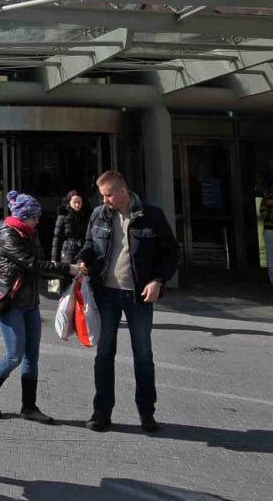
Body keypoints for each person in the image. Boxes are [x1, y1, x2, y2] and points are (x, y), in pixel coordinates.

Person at [74, 170, 179, 433]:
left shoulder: (151, 216)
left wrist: (158, 280)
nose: (105, 200)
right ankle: (101, 412)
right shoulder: (99, 215)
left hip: (138, 295)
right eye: (102, 196)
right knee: (104, 354)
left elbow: (170, 253)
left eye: (108, 195)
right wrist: (83, 259)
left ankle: (146, 412)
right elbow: (89, 244)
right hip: (106, 294)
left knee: (143, 354)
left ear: (123, 191)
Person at [0, 191, 57, 423]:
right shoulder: (7, 235)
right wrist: (67, 268)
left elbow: (40, 260)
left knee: (32, 356)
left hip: (30, 301)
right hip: (11, 302)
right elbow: (31, 263)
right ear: (24, 216)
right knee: (14, 355)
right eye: (34, 217)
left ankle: (29, 407)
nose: (38, 221)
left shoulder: (29, 233)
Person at [50, 189, 87, 268]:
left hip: (82, 250)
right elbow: (57, 238)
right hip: (67, 250)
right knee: (68, 271)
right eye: (74, 202)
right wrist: (54, 258)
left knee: (81, 271)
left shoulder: (86, 216)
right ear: (69, 202)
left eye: (79, 202)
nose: (77, 205)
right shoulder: (63, 217)